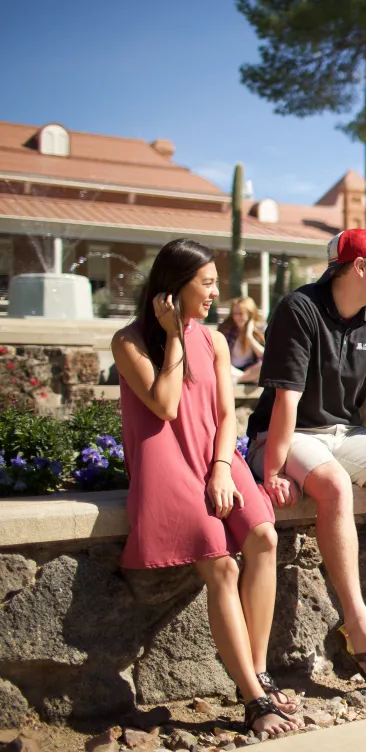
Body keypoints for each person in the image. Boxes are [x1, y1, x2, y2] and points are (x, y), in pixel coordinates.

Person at [112, 239, 299, 736]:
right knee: (219, 563)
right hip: (166, 462)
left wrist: (221, 468)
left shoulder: (215, 341)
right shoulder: (128, 341)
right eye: (208, 283)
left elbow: (224, 415)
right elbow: (166, 405)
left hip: (213, 454)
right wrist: (174, 335)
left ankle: (252, 674)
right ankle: (257, 700)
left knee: (264, 536)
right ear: (173, 289)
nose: (216, 293)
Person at [246, 229, 366, 682]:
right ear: (359, 268)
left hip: (344, 431)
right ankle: (356, 619)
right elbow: (286, 401)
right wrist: (272, 470)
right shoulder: (299, 308)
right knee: (333, 484)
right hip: (292, 432)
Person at [218, 296, 265, 384]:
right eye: (235, 314)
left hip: (251, 369)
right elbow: (218, 355)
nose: (237, 317)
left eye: (241, 314)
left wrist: (249, 337)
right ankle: (245, 378)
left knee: (267, 365)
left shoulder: (260, 330)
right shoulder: (226, 329)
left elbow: (265, 357)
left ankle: (239, 379)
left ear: (250, 314)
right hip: (230, 368)